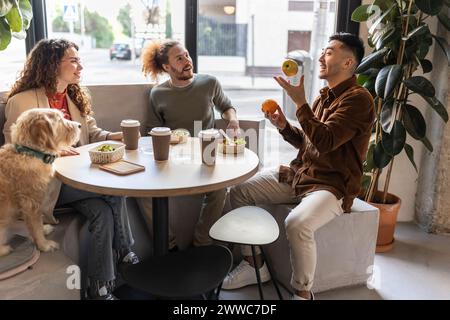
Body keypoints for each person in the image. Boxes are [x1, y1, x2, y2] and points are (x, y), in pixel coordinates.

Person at [221, 33, 375, 300]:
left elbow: (325, 141)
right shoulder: (323, 97)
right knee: (239, 191)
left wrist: (300, 102)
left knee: (297, 223)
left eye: (328, 51)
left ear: (349, 62)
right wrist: (284, 126)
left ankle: (303, 294)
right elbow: (310, 143)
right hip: (302, 174)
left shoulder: (359, 100)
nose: (321, 56)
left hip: (331, 185)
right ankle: (253, 264)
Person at [3, 39, 139, 300]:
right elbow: (16, 151)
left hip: (77, 181)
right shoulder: (23, 101)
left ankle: (99, 290)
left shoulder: (73, 97)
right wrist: (51, 152)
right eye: (73, 60)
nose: (80, 66)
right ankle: (126, 254)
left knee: (103, 213)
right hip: (47, 187)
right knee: (115, 191)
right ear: (52, 64)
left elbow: (91, 132)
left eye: (80, 60)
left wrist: (113, 136)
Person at [137, 40, 240, 249]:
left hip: (205, 156)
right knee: (140, 193)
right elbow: (151, 132)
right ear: (167, 67)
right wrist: (170, 138)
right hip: (174, 159)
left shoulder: (209, 83)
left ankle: (201, 242)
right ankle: (169, 245)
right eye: (180, 58)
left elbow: (227, 106)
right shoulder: (157, 94)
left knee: (220, 190)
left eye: (187, 55)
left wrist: (233, 120)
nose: (187, 61)